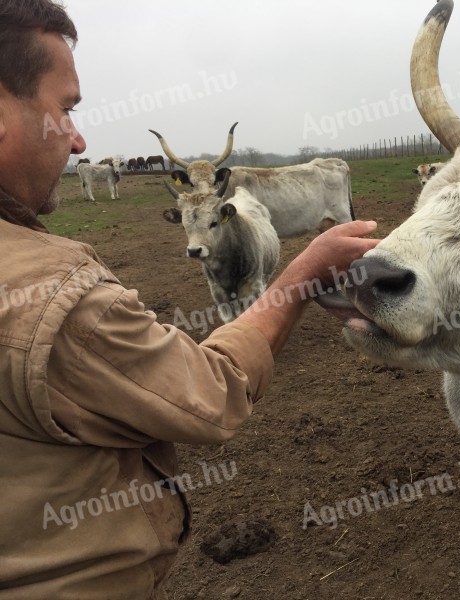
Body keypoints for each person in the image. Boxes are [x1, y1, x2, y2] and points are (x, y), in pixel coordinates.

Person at [0, 1, 379, 597]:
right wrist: (304, 272)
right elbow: (211, 395)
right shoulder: (52, 298)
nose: (78, 140)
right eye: (65, 109)